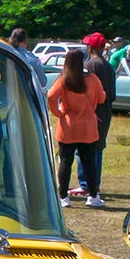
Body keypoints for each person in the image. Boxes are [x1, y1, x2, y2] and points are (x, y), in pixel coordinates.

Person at [45, 48, 105, 209]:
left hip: (68, 124)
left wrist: (59, 113)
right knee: (89, 163)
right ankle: (93, 196)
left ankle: (63, 197)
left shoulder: (64, 79)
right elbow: (101, 98)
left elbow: (51, 96)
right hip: (88, 126)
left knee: (65, 161)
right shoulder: (92, 79)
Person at [73, 32, 116, 206]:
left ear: (90, 47)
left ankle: (85, 184)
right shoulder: (108, 66)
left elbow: (83, 92)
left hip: (92, 112)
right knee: (98, 148)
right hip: (106, 112)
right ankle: (94, 183)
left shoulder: (89, 65)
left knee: (83, 148)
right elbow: (112, 95)